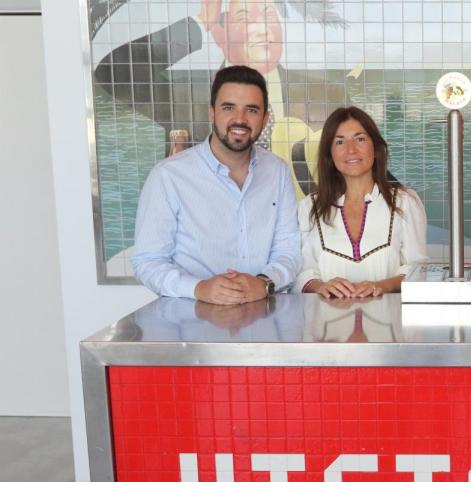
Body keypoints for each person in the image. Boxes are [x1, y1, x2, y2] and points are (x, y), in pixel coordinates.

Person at [94, 0, 347, 198]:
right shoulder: (187, 98)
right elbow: (114, 72)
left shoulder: (328, 96)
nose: (262, 27)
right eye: (245, 17)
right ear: (219, 34)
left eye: (269, 14)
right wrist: (199, 22)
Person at [132, 65, 301, 305]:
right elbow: (147, 261)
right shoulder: (168, 176)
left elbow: (289, 251)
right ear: (212, 112)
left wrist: (264, 282)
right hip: (190, 323)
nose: (240, 119)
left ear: (265, 118)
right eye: (228, 107)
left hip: (265, 320)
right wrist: (199, 288)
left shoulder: (278, 171)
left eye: (251, 110)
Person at [296, 106, 427, 298]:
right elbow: (301, 271)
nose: (351, 150)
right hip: (327, 324)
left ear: (375, 148)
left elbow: (419, 269)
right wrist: (319, 286)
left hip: (388, 323)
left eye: (360, 139)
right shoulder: (309, 206)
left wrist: (382, 286)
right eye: (339, 141)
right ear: (330, 154)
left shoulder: (405, 202)